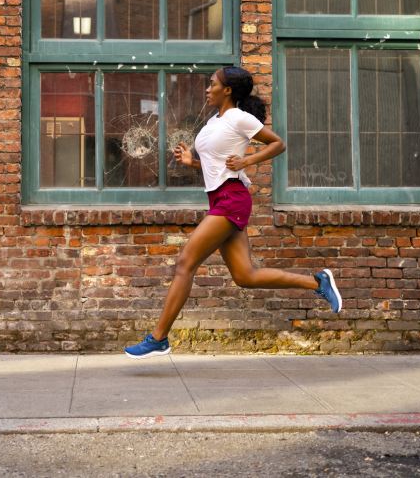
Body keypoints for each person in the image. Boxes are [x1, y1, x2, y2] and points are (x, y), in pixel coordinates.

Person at [124, 66, 342, 359]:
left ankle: (158, 338)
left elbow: (278, 143)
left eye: (212, 84)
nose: (207, 88)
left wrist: (247, 160)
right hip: (220, 199)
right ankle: (317, 282)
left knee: (184, 262)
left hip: (231, 199)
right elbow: (216, 164)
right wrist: (192, 162)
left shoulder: (240, 117)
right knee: (245, 276)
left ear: (227, 90)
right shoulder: (216, 120)